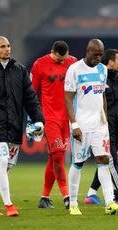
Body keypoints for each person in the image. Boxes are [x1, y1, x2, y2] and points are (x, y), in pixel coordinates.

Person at [0, 36, 44, 217]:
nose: (7, 49)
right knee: (1, 162)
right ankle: (9, 205)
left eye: (8, 45)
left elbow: (30, 98)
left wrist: (39, 120)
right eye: (2, 46)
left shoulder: (20, 70)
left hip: (15, 125)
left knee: (6, 166)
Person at [64, 39, 118, 215]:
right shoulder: (74, 69)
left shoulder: (102, 70)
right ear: (88, 51)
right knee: (78, 162)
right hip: (81, 125)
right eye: (96, 54)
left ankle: (109, 203)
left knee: (104, 160)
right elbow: (68, 97)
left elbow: (102, 95)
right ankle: (73, 203)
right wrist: (74, 124)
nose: (98, 58)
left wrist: (104, 118)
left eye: (101, 55)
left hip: (99, 125)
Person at [30, 41, 77, 209]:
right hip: (49, 118)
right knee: (58, 155)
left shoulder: (73, 62)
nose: (62, 61)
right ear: (53, 52)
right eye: (59, 58)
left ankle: (44, 197)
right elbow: (32, 93)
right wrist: (33, 118)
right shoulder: (40, 64)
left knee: (54, 157)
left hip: (67, 118)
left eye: (64, 58)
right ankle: (67, 196)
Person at [84, 49, 118, 205]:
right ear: (110, 62)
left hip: (117, 125)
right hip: (104, 126)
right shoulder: (99, 77)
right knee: (111, 159)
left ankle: (91, 193)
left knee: (105, 160)